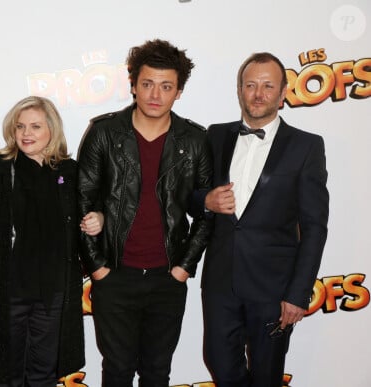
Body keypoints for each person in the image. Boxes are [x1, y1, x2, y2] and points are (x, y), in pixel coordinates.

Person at [77, 39, 213, 387]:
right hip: (115, 276)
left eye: (166, 86)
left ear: (179, 92)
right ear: (133, 84)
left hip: (167, 277)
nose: (156, 94)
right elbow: (81, 201)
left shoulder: (195, 141)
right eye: (148, 83)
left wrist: (184, 267)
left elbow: (207, 210)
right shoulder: (105, 133)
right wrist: (98, 267)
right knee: (117, 371)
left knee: (157, 373)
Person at [200, 52, 329, 387]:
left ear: (283, 93)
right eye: (250, 85)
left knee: (267, 375)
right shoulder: (215, 136)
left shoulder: (306, 146)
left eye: (268, 86)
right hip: (221, 283)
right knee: (218, 361)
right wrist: (206, 200)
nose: (258, 93)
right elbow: (189, 194)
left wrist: (298, 293)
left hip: (274, 289)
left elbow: (314, 227)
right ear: (240, 90)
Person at [0, 96, 103, 387]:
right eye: (20, 126)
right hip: (8, 289)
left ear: (52, 129)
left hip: (53, 290)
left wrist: (99, 217)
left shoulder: (70, 172)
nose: (26, 133)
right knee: (5, 375)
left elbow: (96, 211)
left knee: (43, 375)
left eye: (35, 126)